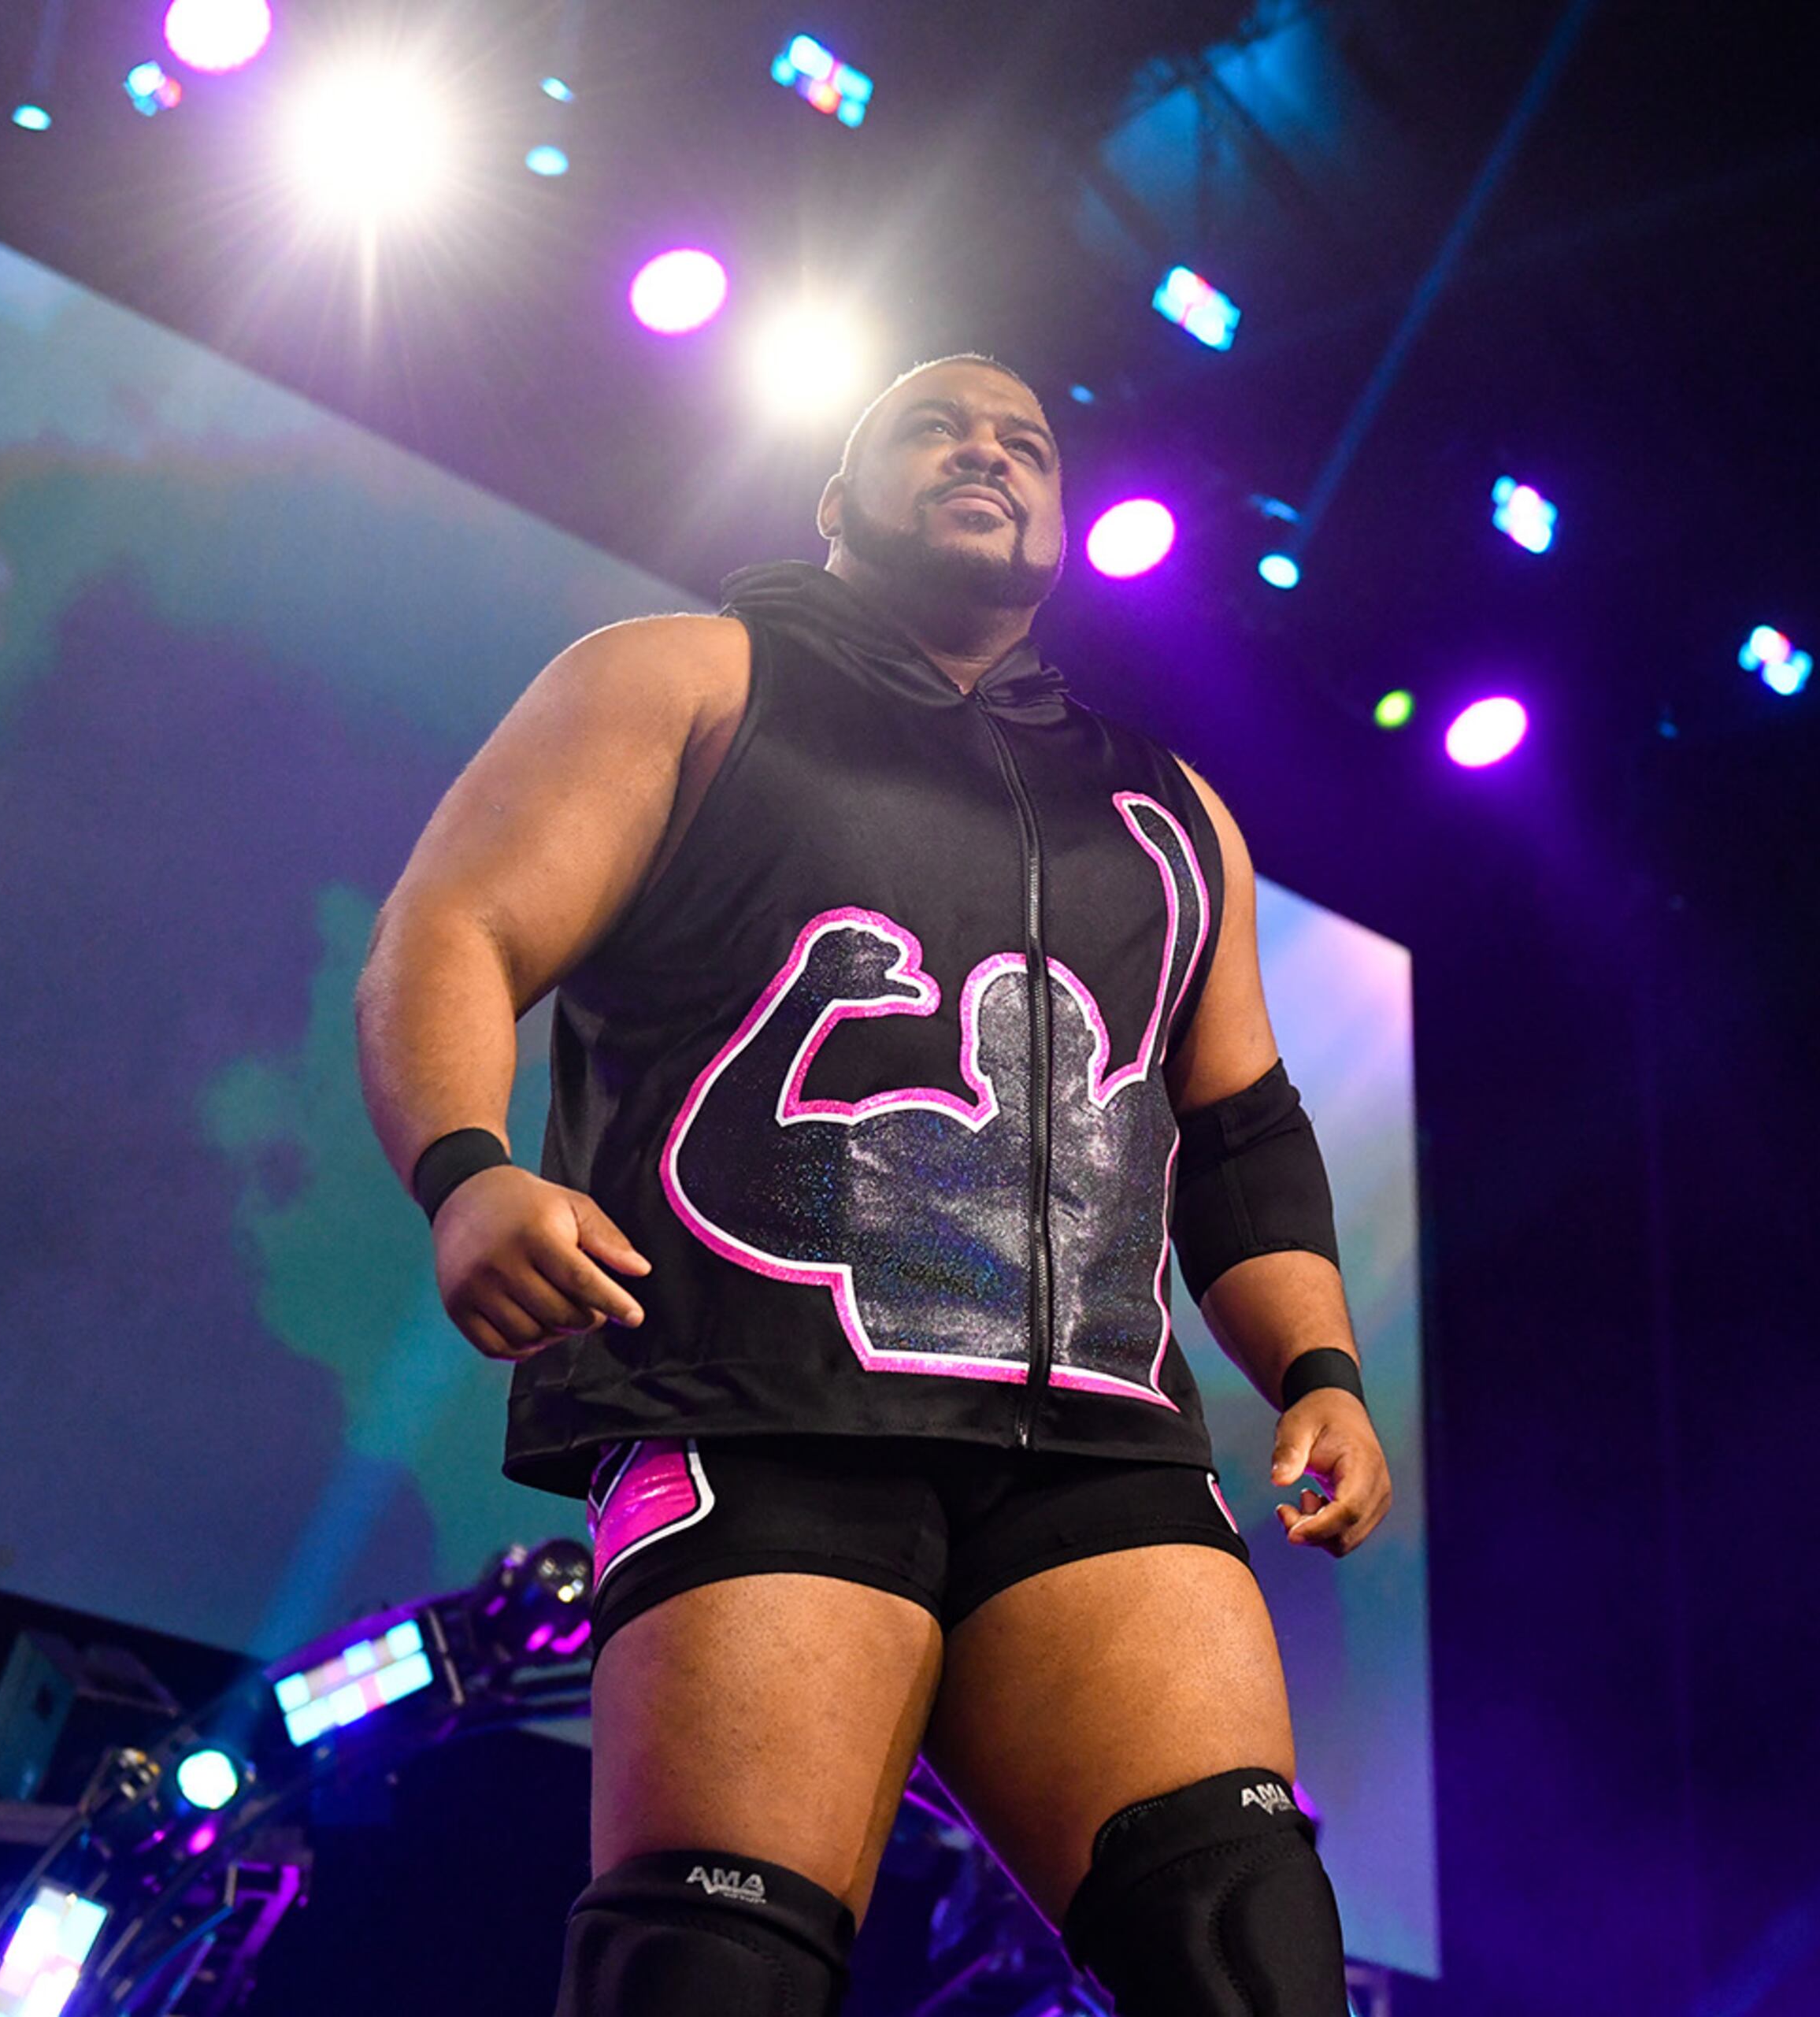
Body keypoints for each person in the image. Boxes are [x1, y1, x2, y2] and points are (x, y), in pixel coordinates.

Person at [355, 354, 1392, 2015]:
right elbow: (456, 926)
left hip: (1101, 1458)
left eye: (1027, 442)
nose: (989, 451)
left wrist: (1320, 1372)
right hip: (761, 1407)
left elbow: (1245, 1132)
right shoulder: (686, 680)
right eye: (937, 426)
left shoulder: (1173, 808)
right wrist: (466, 1171)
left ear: (1063, 522)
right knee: (713, 1974)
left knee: (1247, 1960)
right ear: (837, 502)